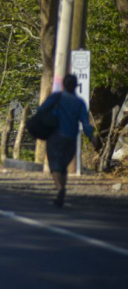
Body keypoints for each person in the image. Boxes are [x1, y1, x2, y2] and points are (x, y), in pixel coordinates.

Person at [38, 75, 100, 207]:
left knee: (55, 165)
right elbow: (86, 124)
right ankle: (62, 190)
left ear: (64, 85)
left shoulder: (56, 97)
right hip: (71, 137)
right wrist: (92, 137)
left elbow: (41, 110)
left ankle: (60, 189)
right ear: (75, 86)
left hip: (55, 136)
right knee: (64, 166)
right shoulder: (79, 102)